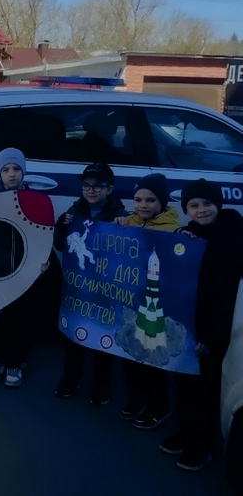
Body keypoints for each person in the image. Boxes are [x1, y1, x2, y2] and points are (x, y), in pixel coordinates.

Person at [162, 179, 243, 470]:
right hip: (188, 327)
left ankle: (202, 445)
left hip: (216, 329)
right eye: (193, 206)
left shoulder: (235, 237)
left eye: (207, 203)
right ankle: (187, 433)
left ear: (218, 204)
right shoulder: (187, 235)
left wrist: (210, 336)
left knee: (206, 388)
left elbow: (230, 294)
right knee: (184, 385)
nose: (201, 210)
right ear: (186, 209)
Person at [0, 148, 61, 389]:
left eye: (16, 169)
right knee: (1, 316)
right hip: (0, 269)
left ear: (23, 172)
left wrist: (44, 261)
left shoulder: (35, 200)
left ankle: (15, 361)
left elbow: (43, 235)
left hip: (28, 270)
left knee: (23, 315)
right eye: (6, 170)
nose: (12, 174)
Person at [53, 163, 128, 406]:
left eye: (98, 186)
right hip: (79, 286)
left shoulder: (121, 215)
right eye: (86, 186)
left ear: (110, 188)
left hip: (105, 289)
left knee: (102, 338)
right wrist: (61, 226)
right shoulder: (75, 211)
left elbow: (127, 254)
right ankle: (71, 377)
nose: (91, 190)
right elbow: (61, 245)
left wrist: (125, 226)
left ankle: (101, 385)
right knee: (74, 336)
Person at [115, 173, 179, 429]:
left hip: (156, 306)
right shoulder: (127, 222)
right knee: (130, 355)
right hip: (130, 302)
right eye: (138, 199)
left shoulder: (172, 230)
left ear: (161, 203)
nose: (143, 205)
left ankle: (159, 406)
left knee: (152, 358)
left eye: (151, 200)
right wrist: (117, 225)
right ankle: (137, 398)